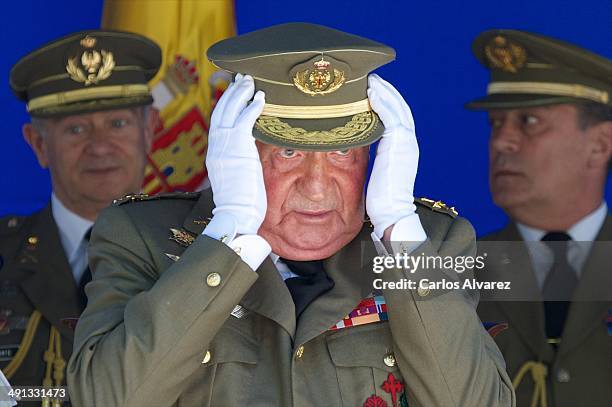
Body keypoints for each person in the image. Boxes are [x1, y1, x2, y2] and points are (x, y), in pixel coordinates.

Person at [68, 23, 514, 406]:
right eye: (287, 151)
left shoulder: (431, 244)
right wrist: (231, 233)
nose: (317, 185)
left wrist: (399, 231)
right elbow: (107, 397)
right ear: (233, 153)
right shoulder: (141, 238)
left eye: (342, 151)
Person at [0, 30, 161, 393]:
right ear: (39, 144)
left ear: (150, 130)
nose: (100, 146)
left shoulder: (205, 255)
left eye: (117, 124)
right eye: (76, 129)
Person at [468, 29, 612, 407]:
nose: (502, 142)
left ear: (599, 145)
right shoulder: (451, 272)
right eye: (496, 124)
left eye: (529, 121)